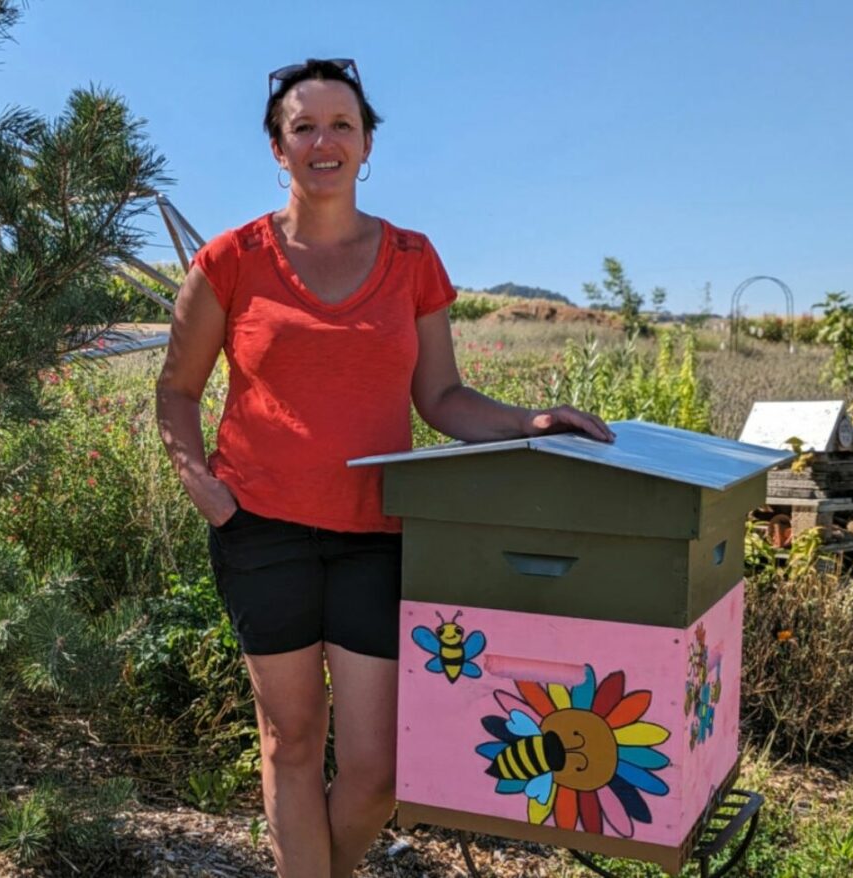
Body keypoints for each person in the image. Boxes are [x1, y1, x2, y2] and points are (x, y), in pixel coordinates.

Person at [155, 58, 614, 878]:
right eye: (304, 126)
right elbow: (177, 389)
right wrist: (203, 485)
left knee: (375, 771)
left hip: (378, 530)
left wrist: (527, 423)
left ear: (367, 145)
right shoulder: (231, 259)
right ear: (277, 148)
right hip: (261, 530)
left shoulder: (412, 259)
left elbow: (440, 395)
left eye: (342, 125)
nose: (323, 141)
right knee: (291, 741)